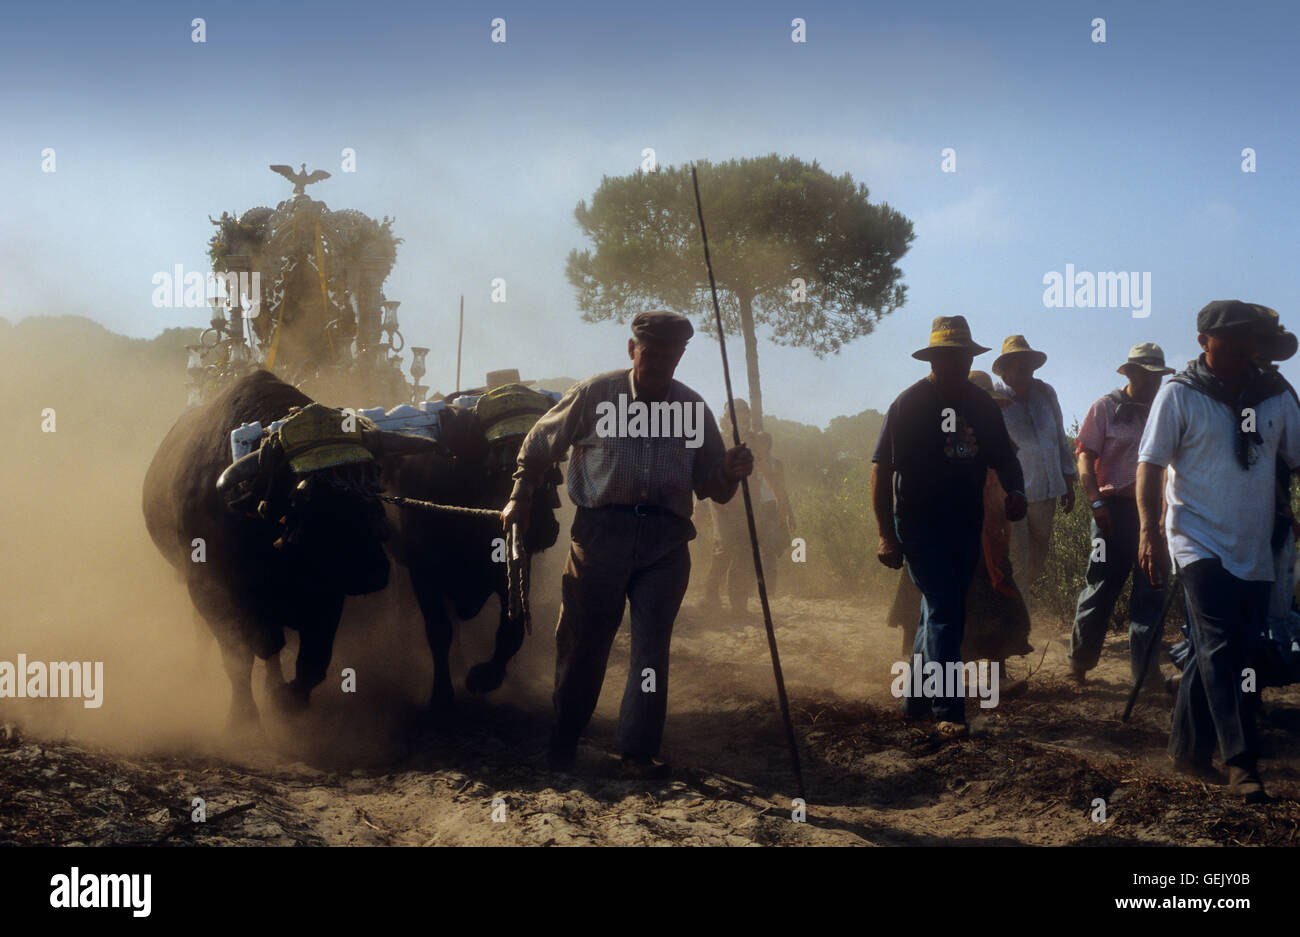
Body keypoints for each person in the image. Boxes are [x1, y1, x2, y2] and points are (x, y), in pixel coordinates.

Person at [503, 311, 754, 779]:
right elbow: (539, 444)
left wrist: (731, 470)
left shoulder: (693, 410)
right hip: (600, 534)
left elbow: (713, 487)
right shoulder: (595, 394)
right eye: (649, 354)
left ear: (681, 356)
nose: (658, 364)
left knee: (651, 650)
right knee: (584, 641)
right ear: (631, 350)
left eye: (668, 356)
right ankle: (566, 738)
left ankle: (637, 752)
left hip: (666, 541)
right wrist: (520, 496)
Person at [1138, 300, 1300, 803]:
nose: (1234, 359)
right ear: (1205, 343)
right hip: (1194, 536)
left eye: (1243, 350)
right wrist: (1148, 530)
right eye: (1224, 348)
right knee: (1221, 643)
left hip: (1252, 543)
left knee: (1232, 648)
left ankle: (1187, 750)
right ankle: (1242, 764)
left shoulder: (1274, 394)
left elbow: (1295, 456)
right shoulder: (1179, 394)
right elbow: (1150, 464)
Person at [873, 318, 1027, 737]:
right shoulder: (908, 405)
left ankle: (914, 702)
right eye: (948, 358)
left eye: (963, 357)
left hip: (966, 522)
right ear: (933, 359)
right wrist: (887, 534)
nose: (956, 365)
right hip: (920, 524)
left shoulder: (981, 406)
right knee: (946, 610)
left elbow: (1005, 458)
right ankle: (948, 710)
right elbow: (881, 469)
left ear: (969, 359)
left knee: (935, 612)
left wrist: (1015, 491)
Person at [886, 370, 1033, 678]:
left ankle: (995, 677)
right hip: (940, 527)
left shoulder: (994, 434)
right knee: (938, 605)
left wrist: (1012, 498)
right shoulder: (931, 425)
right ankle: (931, 684)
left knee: (992, 602)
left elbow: (1004, 472)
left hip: (984, 529)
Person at [1067, 343, 1173, 687]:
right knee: (1101, 584)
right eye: (1147, 375)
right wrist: (1095, 501)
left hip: (1153, 513)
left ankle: (1146, 672)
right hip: (1110, 513)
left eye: (1158, 376)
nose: (1153, 382)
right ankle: (1079, 662)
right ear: (1131, 373)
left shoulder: (1164, 411)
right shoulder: (1104, 408)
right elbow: (1085, 456)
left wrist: (1165, 514)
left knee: (1151, 588)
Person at [993, 335, 1077, 601]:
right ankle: (1018, 624)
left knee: (1038, 555)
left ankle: (1016, 607)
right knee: (1017, 558)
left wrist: (1068, 477)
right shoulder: (995, 399)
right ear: (1004, 369)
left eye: (1028, 364)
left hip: (1047, 490)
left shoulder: (1046, 393)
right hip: (1013, 495)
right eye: (1017, 364)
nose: (1025, 369)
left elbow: (1060, 436)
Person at [700, 401, 753, 616]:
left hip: (748, 504)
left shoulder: (754, 440)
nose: (739, 420)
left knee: (744, 553)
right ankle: (711, 595)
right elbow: (706, 472)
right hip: (722, 502)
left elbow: (761, 471)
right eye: (735, 416)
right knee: (725, 549)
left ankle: (739, 603)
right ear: (726, 418)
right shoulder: (717, 439)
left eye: (743, 416)